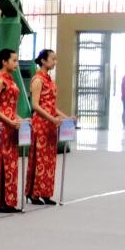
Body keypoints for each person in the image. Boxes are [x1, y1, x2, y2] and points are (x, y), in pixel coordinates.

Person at [26, 49, 72, 205]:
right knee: (39, 158)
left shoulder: (50, 80)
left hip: (51, 124)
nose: (55, 62)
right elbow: (35, 105)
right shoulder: (38, 79)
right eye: (52, 59)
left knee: (49, 160)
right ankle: (34, 193)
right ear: (43, 61)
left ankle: (45, 192)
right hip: (41, 123)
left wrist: (66, 118)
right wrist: (52, 118)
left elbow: (52, 106)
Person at [0, 48, 23, 213]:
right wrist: (9, 120)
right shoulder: (0, 80)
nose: (16, 63)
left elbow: (10, 105)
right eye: (14, 60)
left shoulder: (12, 80)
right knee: (1, 162)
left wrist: (18, 118)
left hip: (12, 125)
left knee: (11, 163)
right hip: (2, 126)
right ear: (4, 62)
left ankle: (9, 199)